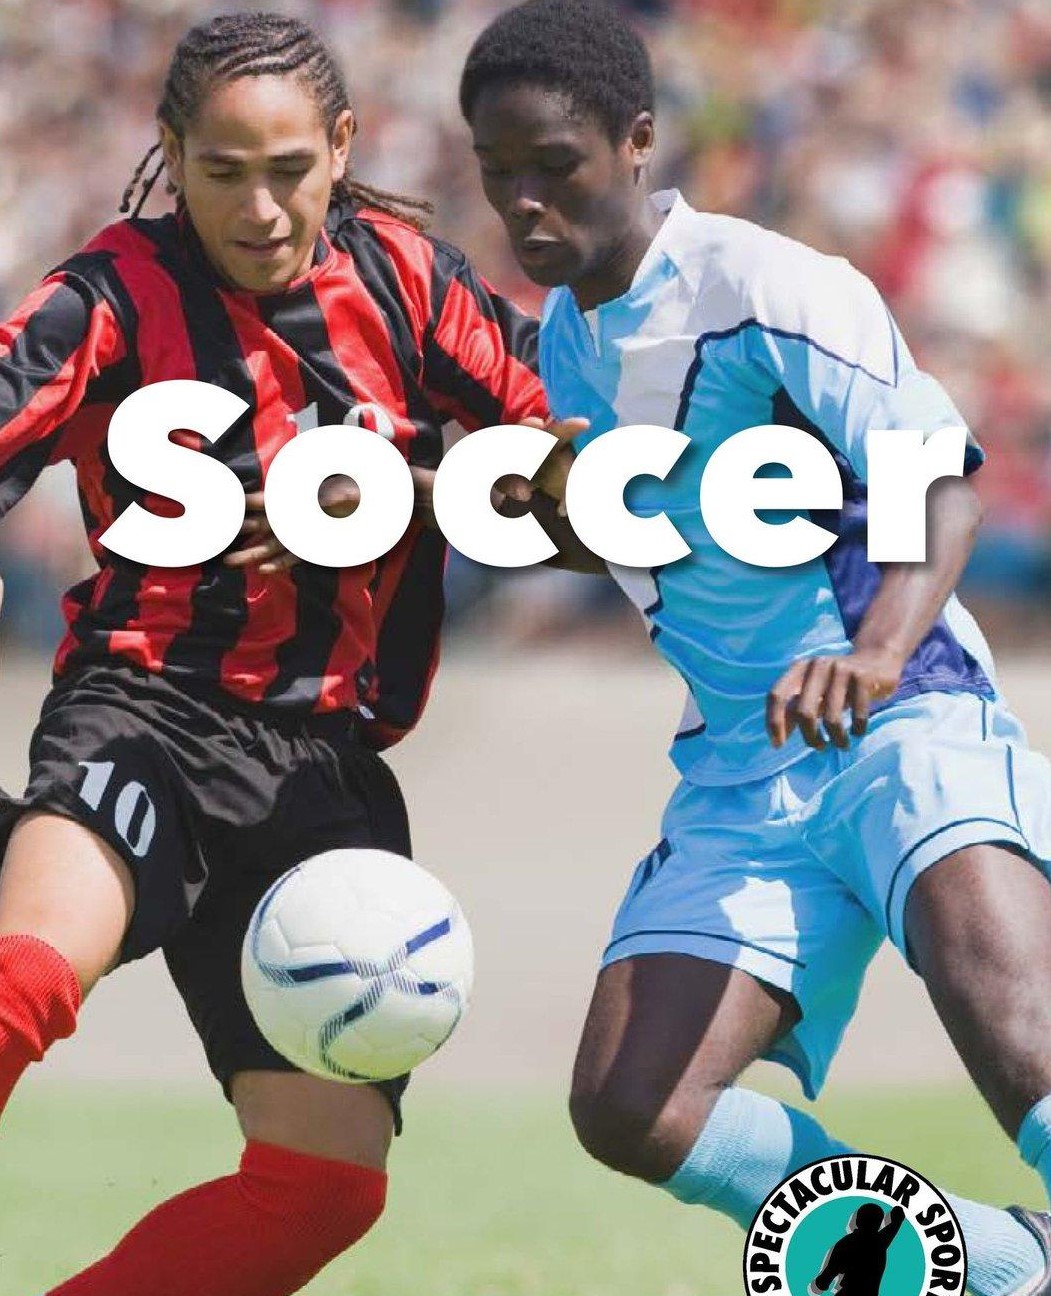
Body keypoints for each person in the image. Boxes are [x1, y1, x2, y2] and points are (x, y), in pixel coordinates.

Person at [460, 3, 1051, 1294]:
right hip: (740, 773)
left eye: (552, 165)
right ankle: (1007, 1264)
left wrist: (877, 653)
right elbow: (663, 540)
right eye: (497, 173)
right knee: (631, 1107)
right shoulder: (566, 343)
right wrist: (538, 518)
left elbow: (939, 481)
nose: (522, 203)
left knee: (1027, 1057)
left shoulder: (765, 286)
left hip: (901, 719)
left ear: (635, 141)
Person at [0, 12, 547, 1295]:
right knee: (24, 980)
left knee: (324, 1187)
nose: (258, 208)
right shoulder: (105, 297)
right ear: (170, 152)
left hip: (322, 774)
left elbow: (581, 474)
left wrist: (394, 493)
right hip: (145, 711)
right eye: (223, 171)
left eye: (290, 170)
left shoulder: (411, 282)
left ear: (342, 146)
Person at [812, 1204, 905, 1296]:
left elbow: (825, 1278)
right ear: (879, 1224)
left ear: (857, 1220)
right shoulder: (880, 1241)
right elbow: (895, 1224)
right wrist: (897, 1216)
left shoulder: (847, 1243)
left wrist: (820, 1283)